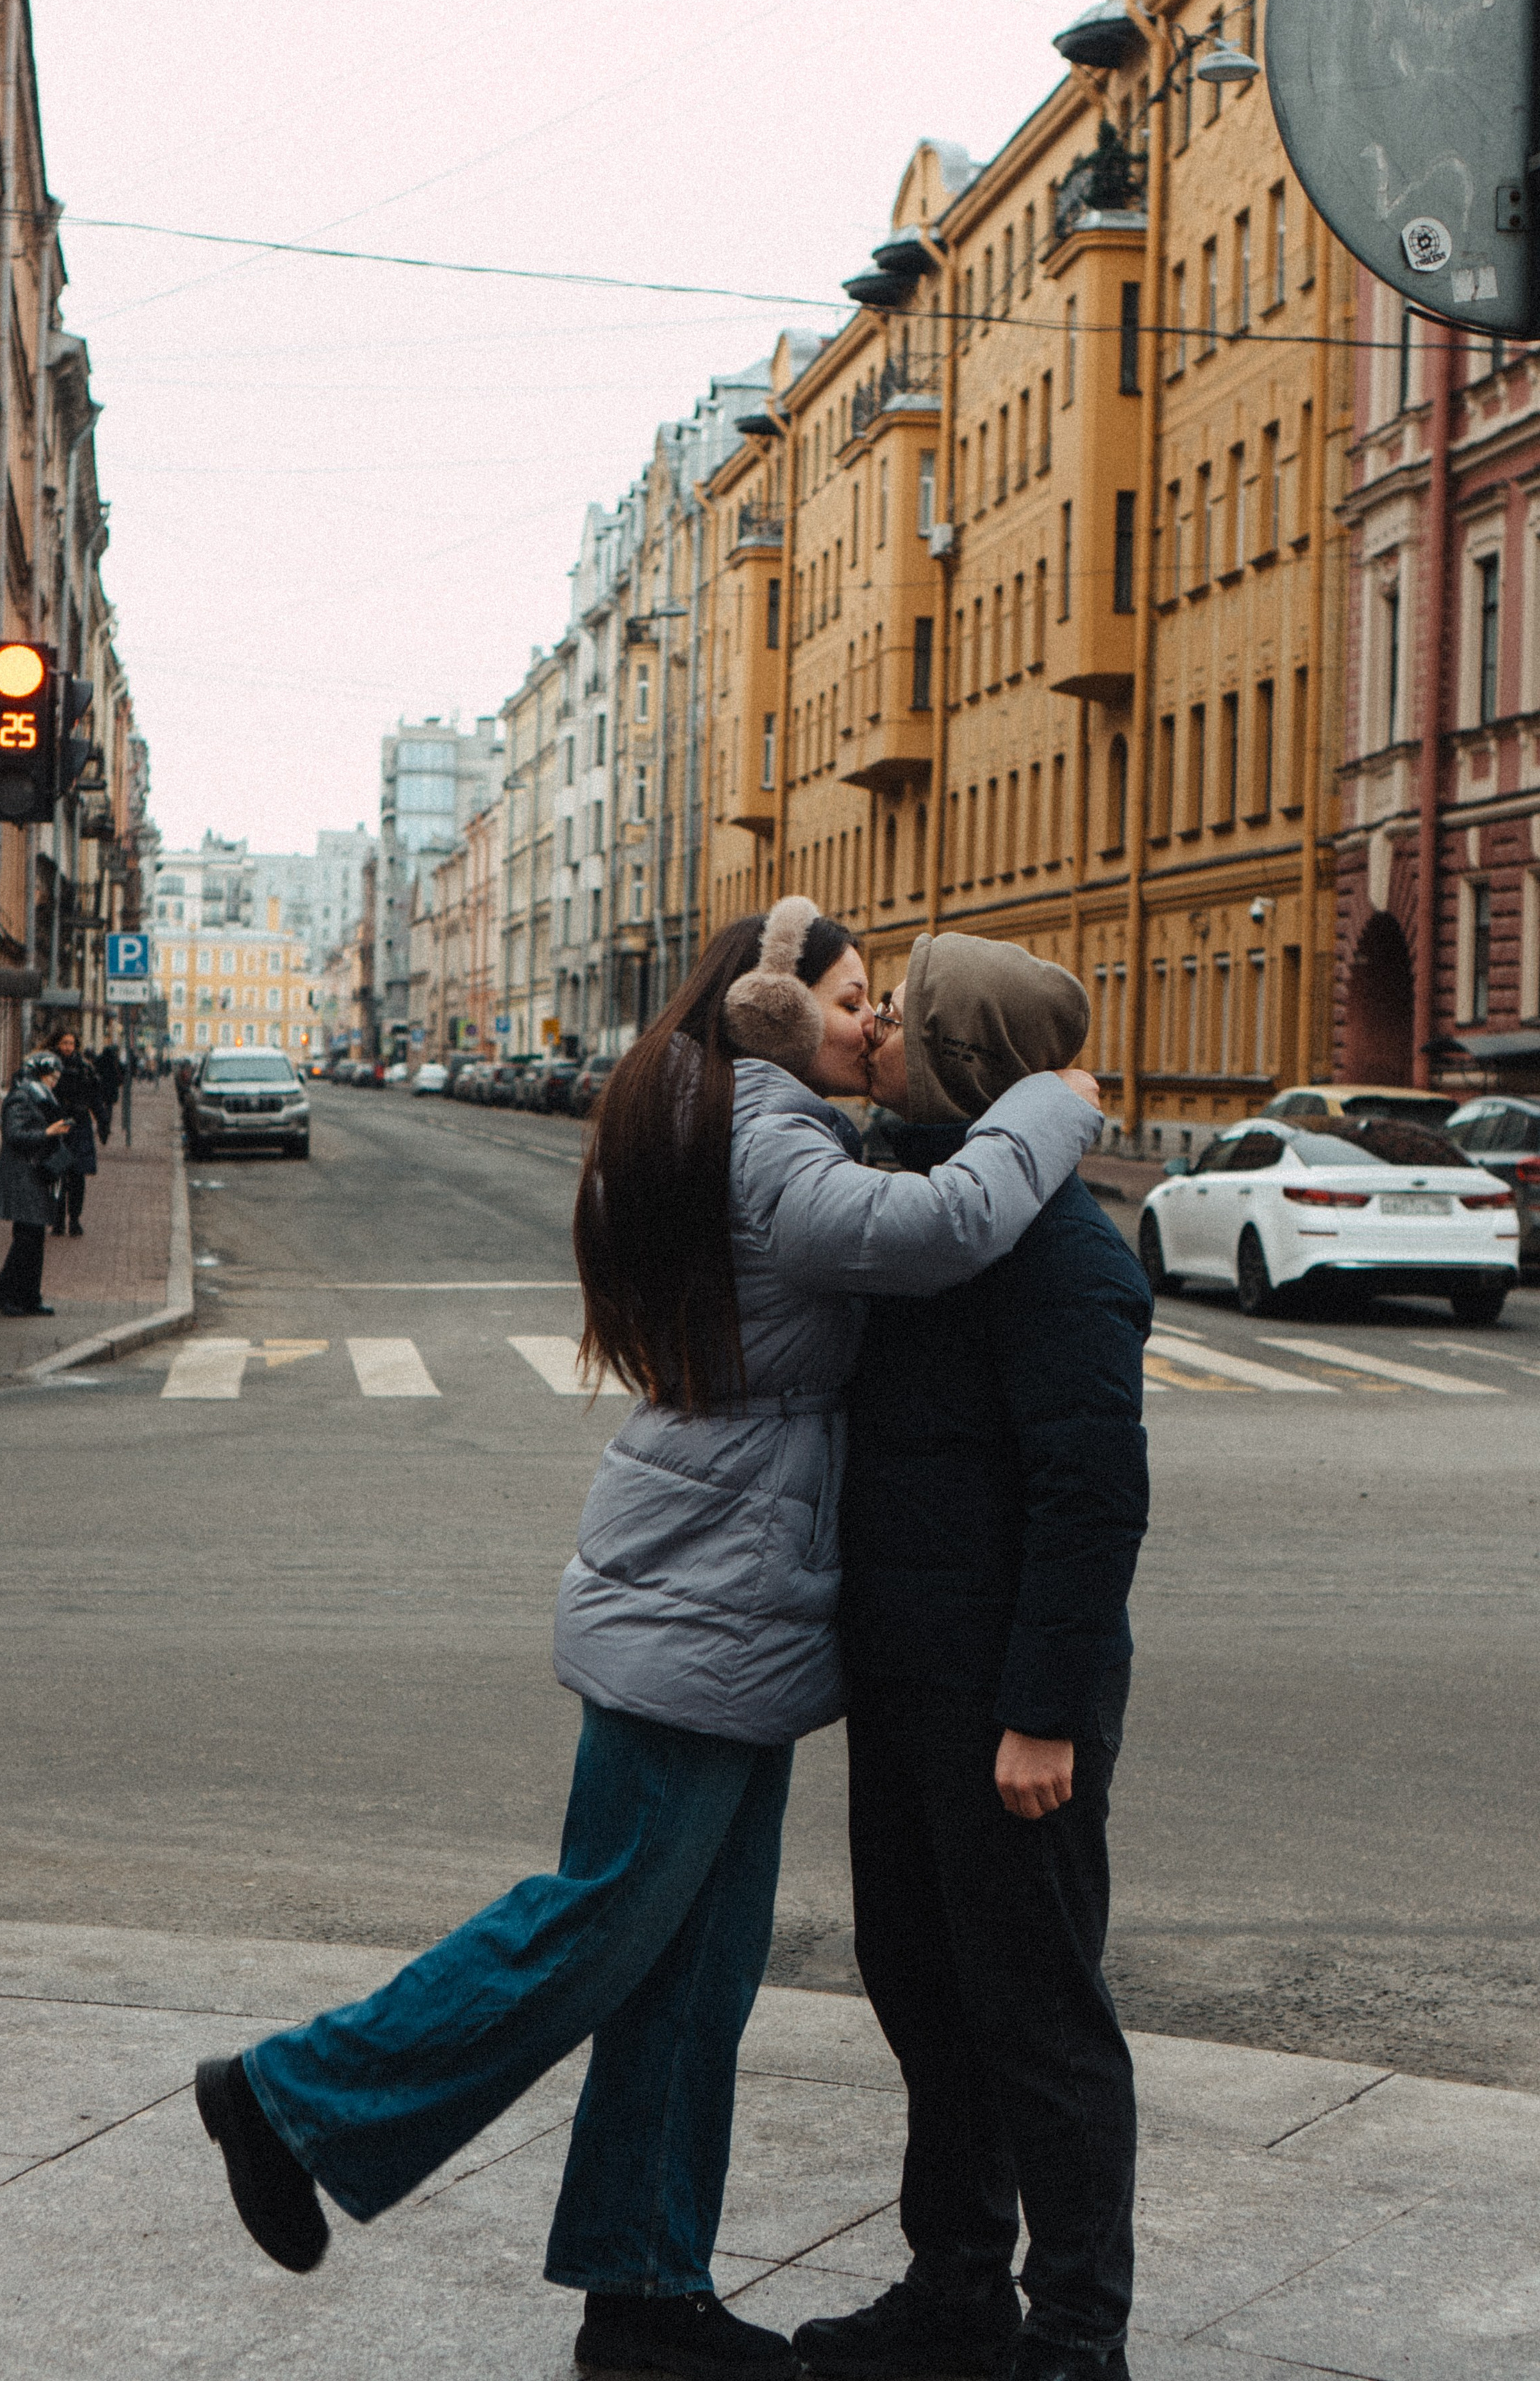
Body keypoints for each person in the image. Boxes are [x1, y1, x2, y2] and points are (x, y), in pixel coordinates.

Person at [192, 900, 1102, 2380]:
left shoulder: (750, 1111)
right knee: (603, 1917)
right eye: (854, 997)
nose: (875, 1023)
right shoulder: (766, 1129)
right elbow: (932, 1229)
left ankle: (642, 2292)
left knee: (693, 1963)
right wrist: (1049, 1113)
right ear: (766, 1006)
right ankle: (291, 2100)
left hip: (730, 1588)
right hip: (705, 1588)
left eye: (884, 1003)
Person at [792, 933, 1151, 2381]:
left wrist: (1043, 1716)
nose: (869, 1028)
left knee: (1038, 2021)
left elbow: (1090, 1497)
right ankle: (954, 2286)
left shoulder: (1062, 1250)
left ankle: (1076, 2333)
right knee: (922, 1987)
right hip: (908, 1676)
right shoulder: (923, 1206)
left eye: (897, 1014)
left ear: (954, 1058)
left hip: (1009, 1704)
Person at [0, 1049, 73, 1319]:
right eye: (51, 1077)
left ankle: (30, 1297)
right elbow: (13, 1135)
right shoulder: (21, 1097)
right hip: (22, 1176)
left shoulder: (41, 1096)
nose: (54, 1082)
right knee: (26, 1240)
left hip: (35, 1174)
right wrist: (48, 1132)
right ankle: (5, 1296)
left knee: (34, 1240)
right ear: (39, 1074)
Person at [47, 1027, 102, 1237]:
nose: (68, 1048)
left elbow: (94, 1097)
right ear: (58, 1045)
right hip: (59, 1125)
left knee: (77, 1176)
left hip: (79, 1126)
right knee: (58, 1174)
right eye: (64, 1043)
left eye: (71, 1044)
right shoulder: (51, 1067)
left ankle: (75, 1220)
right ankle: (58, 1221)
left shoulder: (84, 1069)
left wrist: (102, 1121)